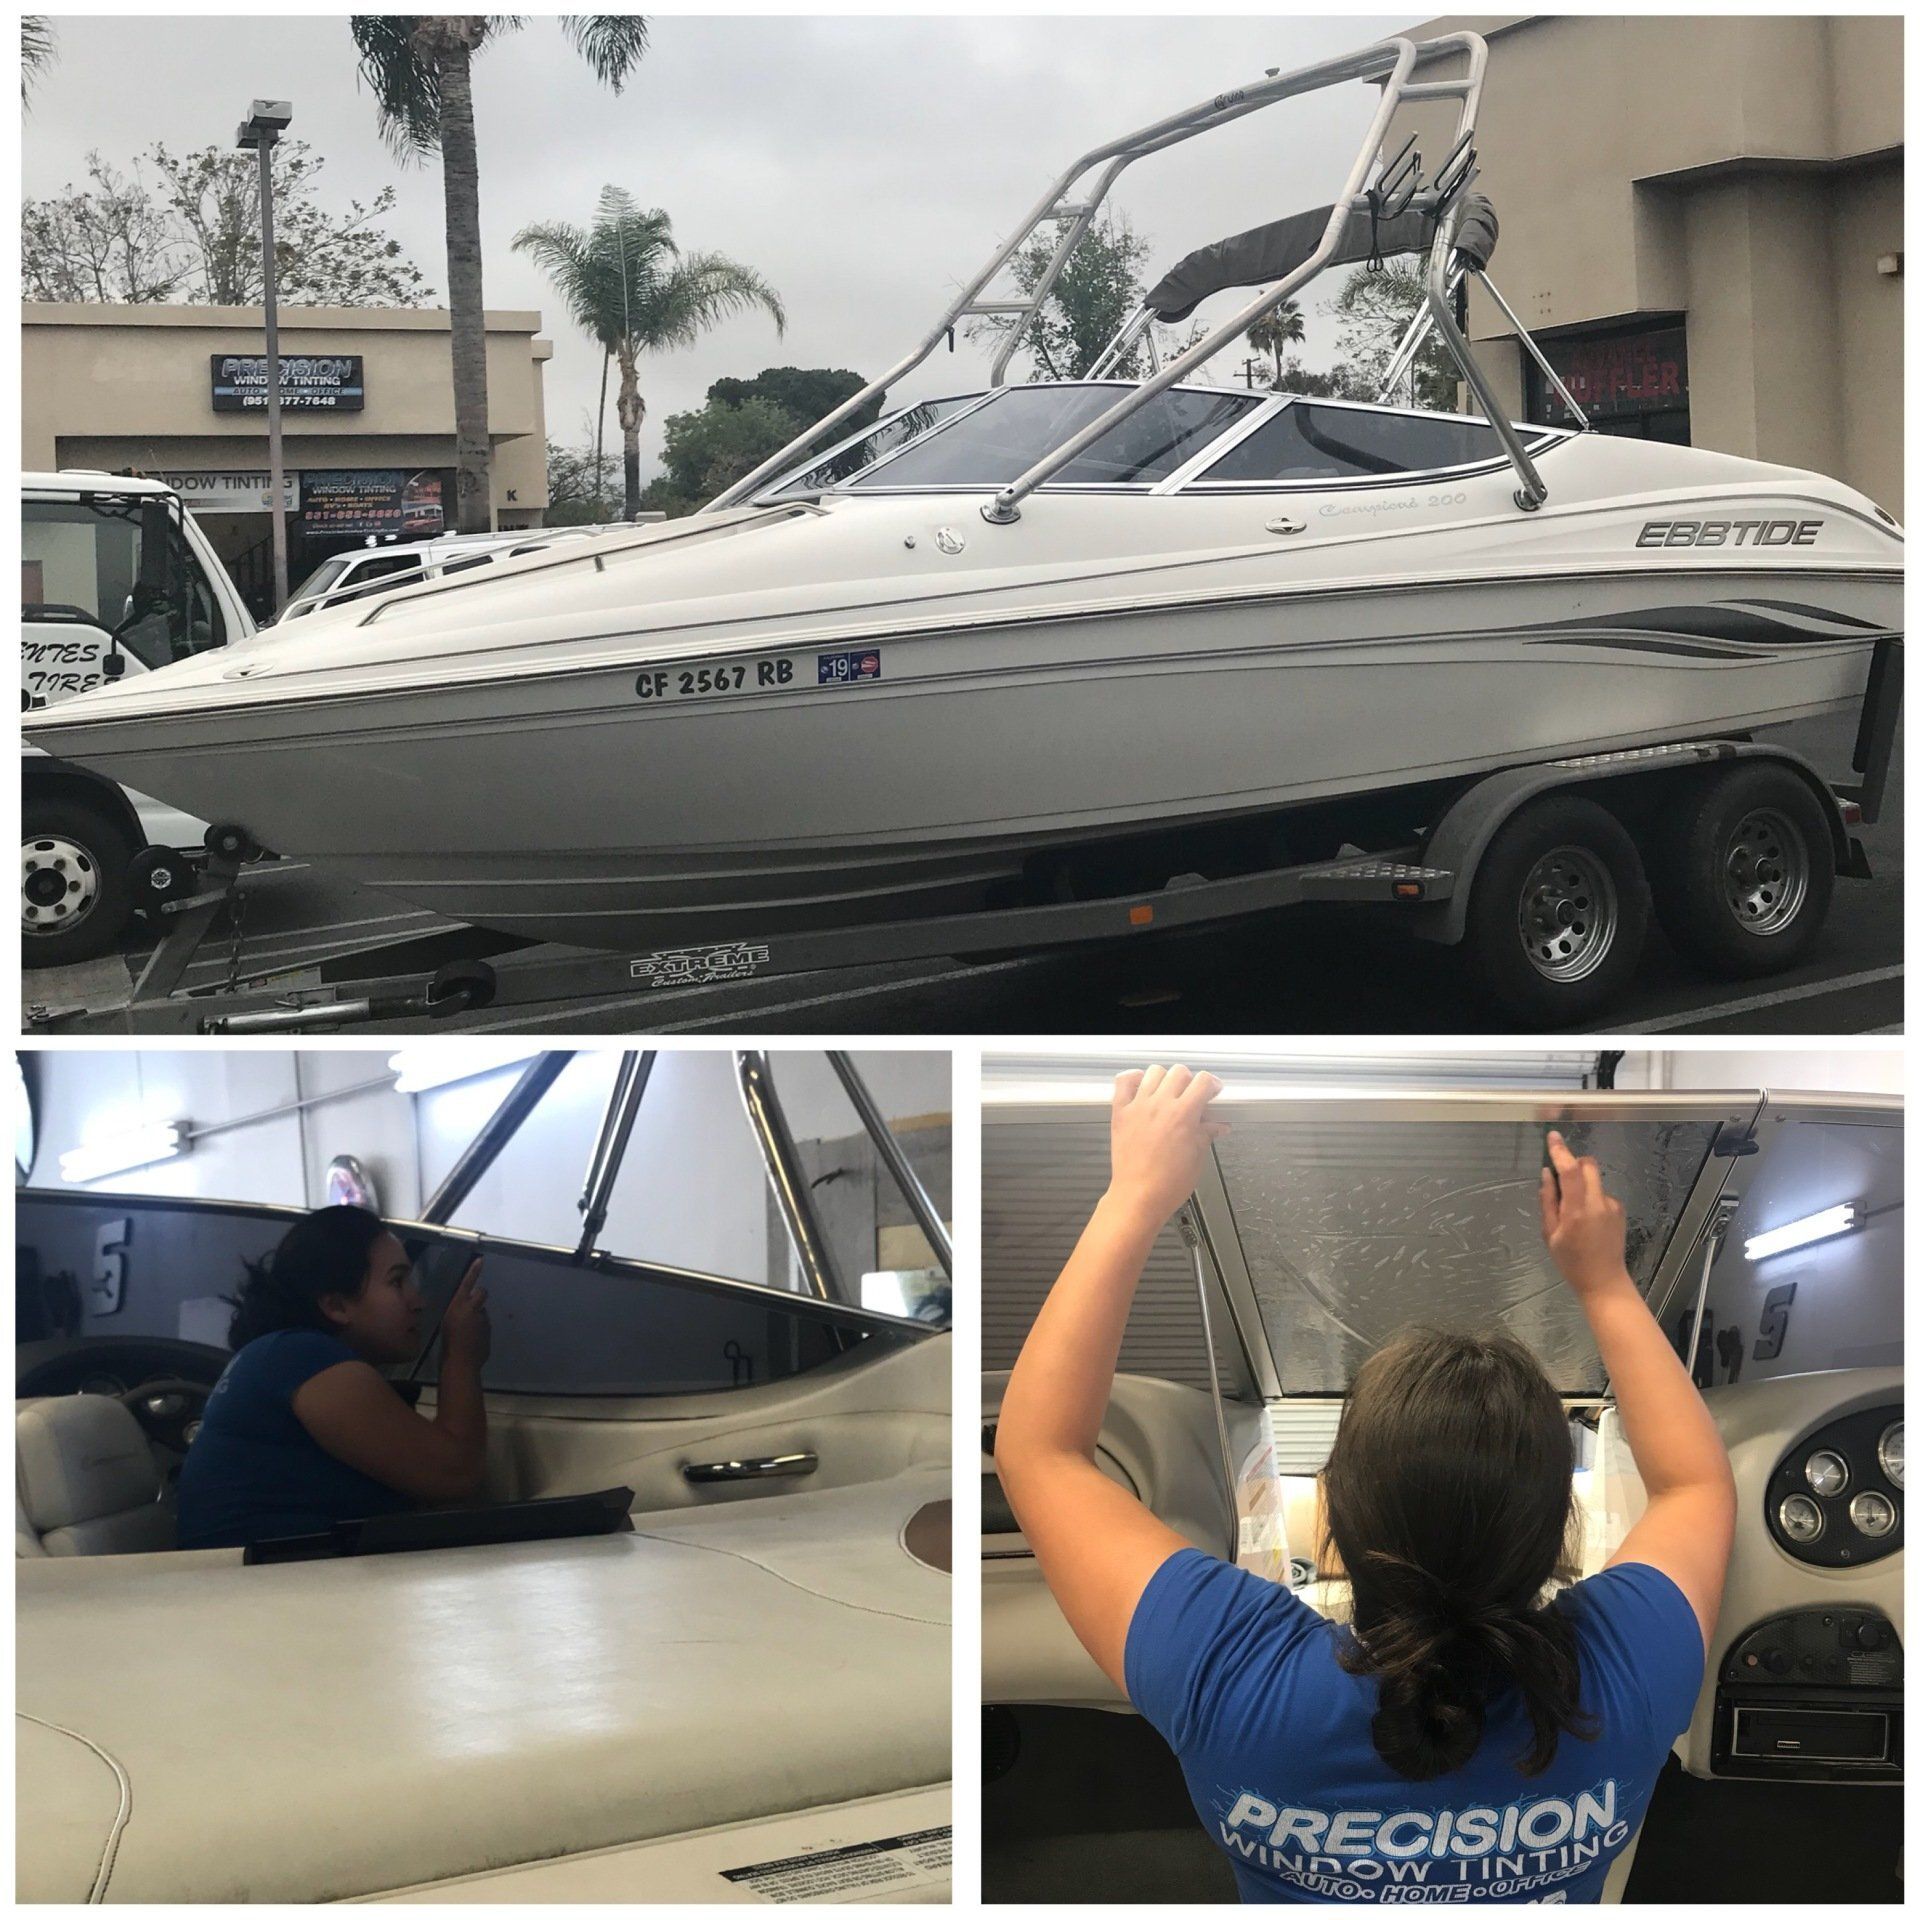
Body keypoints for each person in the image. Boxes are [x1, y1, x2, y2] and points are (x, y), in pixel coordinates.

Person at [995, 1066, 1737, 1905]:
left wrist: (1136, 1198)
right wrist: (1605, 1282)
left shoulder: (1236, 1678)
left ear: (1336, 1529)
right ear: (1559, 1536)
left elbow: (1039, 1453)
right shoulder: (1624, 1675)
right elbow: (1693, 1486)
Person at [175, 1205, 492, 1550]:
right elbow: (456, 1476)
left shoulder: (280, 1356)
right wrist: (460, 1355)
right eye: (397, 1281)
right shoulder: (302, 1357)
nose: (417, 1300)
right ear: (337, 1306)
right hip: (268, 1591)